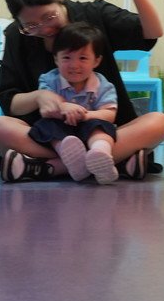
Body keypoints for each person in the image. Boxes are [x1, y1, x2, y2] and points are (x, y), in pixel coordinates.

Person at [0, 0, 164, 182]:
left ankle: (49, 167)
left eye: (49, 17)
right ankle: (113, 161)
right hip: (49, 138)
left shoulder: (94, 15)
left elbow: (152, 33)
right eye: (31, 25)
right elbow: (9, 101)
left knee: (159, 122)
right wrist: (39, 97)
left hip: (104, 135)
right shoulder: (17, 35)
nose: (45, 29)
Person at [27, 22, 120, 184]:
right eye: (66, 57)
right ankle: (70, 155)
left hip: (88, 126)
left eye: (83, 58)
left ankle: (100, 153)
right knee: (45, 126)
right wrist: (63, 107)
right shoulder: (49, 80)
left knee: (102, 126)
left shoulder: (103, 85)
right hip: (60, 127)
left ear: (96, 61)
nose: (74, 65)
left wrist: (85, 115)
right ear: (56, 59)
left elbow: (110, 114)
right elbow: (46, 110)